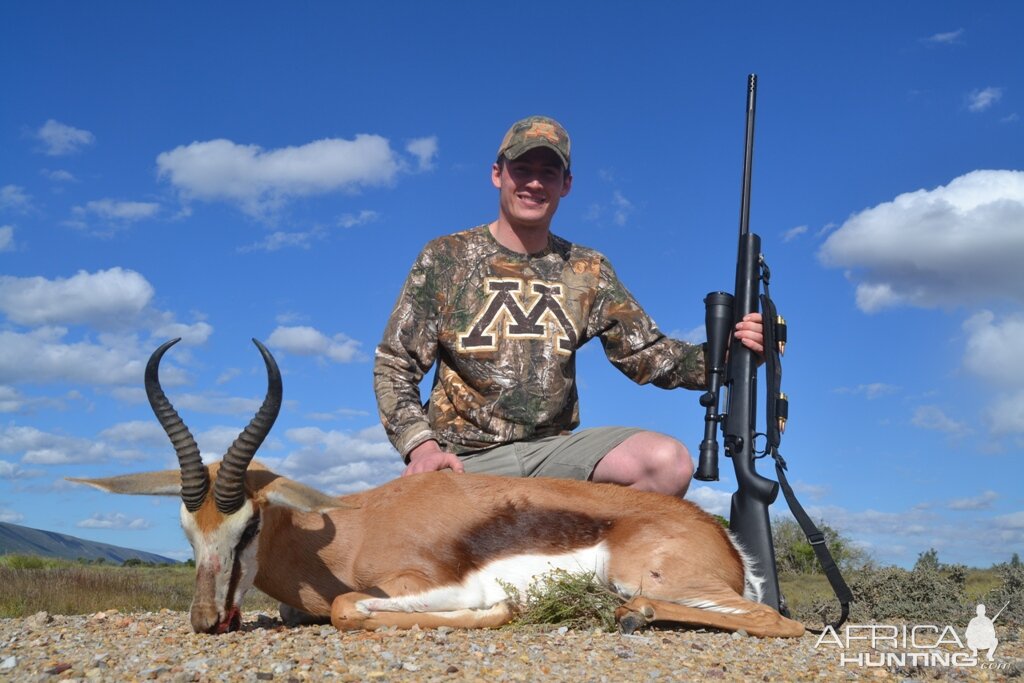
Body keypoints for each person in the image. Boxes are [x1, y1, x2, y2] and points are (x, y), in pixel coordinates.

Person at [374, 115, 763, 496]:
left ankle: (581, 559)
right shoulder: (445, 256)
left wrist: (726, 355)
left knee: (668, 463)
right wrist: (422, 448)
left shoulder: (587, 268)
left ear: (567, 185)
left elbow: (648, 354)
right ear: (497, 174)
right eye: (522, 169)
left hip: (553, 457)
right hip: (464, 461)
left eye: (549, 173)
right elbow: (395, 364)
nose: (535, 183)